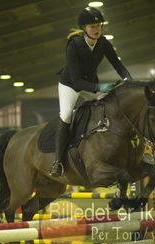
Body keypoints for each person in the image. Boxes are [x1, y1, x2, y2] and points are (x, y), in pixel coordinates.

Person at [50, 6, 132, 177]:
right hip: (70, 85)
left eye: (99, 26)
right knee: (66, 115)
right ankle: (57, 161)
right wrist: (99, 88)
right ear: (84, 28)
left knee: (107, 103)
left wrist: (128, 80)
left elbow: (118, 65)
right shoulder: (74, 45)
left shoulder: (103, 43)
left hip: (91, 84)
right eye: (93, 27)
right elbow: (76, 80)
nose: (97, 30)